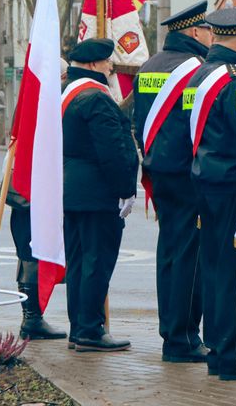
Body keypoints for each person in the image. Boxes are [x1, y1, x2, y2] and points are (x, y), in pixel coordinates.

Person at [132, 0, 212, 364]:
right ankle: (182, 338)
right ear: (194, 31)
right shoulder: (197, 69)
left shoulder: (148, 66)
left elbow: (138, 119)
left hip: (159, 171)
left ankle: (172, 331)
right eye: (207, 30)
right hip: (187, 175)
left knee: (169, 252)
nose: (211, 36)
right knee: (189, 257)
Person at [187, 7, 236, 381]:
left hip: (204, 181)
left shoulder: (198, 75)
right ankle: (232, 355)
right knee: (235, 274)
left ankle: (218, 348)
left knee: (214, 270)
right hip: (231, 185)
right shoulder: (235, 80)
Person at [61, 38, 138, 352]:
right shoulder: (96, 98)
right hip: (97, 192)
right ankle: (91, 330)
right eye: (107, 63)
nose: (111, 67)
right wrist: (125, 189)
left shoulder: (67, 93)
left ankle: (79, 328)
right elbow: (112, 150)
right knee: (97, 262)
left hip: (72, 190)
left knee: (79, 262)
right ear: (94, 64)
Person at [7, 184, 67, 340]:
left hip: (29, 203)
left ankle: (31, 318)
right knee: (31, 260)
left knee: (27, 259)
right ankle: (32, 319)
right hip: (32, 202)